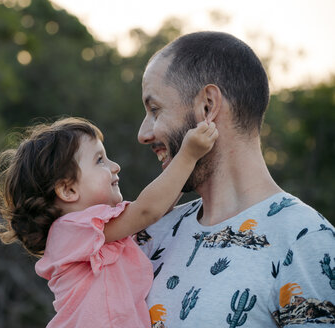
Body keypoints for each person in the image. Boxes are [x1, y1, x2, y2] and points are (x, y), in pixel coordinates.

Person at [137, 31, 335, 327]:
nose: (143, 134)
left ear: (207, 106)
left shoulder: (306, 241)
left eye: (155, 110)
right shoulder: (151, 234)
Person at [0, 116, 217, 327]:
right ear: (68, 189)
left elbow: (152, 213)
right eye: (100, 160)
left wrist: (179, 172)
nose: (115, 166)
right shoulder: (70, 229)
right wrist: (188, 156)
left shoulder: (100, 231)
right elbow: (146, 212)